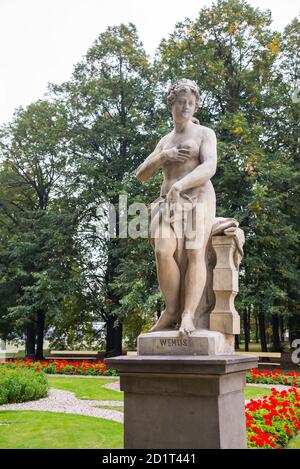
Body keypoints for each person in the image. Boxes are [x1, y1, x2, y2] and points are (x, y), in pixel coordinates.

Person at [136, 79, 217, 336]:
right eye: (181, 102)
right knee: (162, 249)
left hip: (197, 198)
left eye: (191, 103)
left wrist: (181, 185)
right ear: (171, 104)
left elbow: (209, 167)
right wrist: (164, 156)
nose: (186, 107)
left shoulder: (205, 133)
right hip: (168, 203)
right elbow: (141, 174)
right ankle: (171, 310)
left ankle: (187, 315)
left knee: (194, 252)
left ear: (196, 106)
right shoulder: (165, 140)